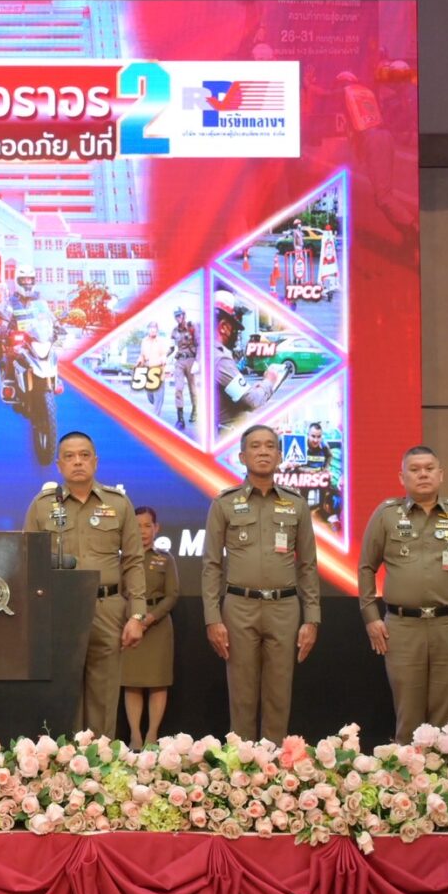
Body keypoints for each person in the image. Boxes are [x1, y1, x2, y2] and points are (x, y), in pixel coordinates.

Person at [358, 446, 448, 742]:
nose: (423, 474)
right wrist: (370, 617)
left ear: (441, 474)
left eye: (429, 468)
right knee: (409, 713)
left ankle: (447, 770)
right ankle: (407, 769)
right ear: (402, 477)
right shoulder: (386, 515)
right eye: (415, 469)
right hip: (402, 627)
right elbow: (366, 567)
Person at [202, 425, 320, 743]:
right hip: (239, 607)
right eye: (255, 446)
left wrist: (312, 618)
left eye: (270, 446)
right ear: (242, 456)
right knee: (241, 693)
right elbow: (211, 565)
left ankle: (273, 764)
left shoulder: (296, 504)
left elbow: (308, 566)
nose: (263, 451)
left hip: (284, 607)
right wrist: (213, 618)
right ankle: (243, 763)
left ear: (280, 456)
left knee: (279, 694)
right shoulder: (224, 503)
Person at [24, 431, 146, 738]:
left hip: (107, 607)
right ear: (59, 465)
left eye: (84, 455)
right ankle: (65, 761)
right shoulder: (42, 506)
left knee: (104, 695)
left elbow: (133, 561)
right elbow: (28, 562)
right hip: (58, 610)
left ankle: (101, 760)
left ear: (96, 461)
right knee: (63, 693)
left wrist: (137, 615)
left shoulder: (118, 504)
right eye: (69, 456)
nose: (77, 462)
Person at [119, 505, 179, 748]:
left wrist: (149, 619)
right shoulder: (122, 559)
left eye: (147, 525)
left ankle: (152, 734)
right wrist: (133, 619)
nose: (142, 531)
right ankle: (135, 736)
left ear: (156, 528)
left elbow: (172, 595)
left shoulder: (165, 558)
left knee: (157, 681)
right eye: (137, 526)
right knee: (131, 681)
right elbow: (119, 592)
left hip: (158, 626)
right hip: (129, 625)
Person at [213, 291, 288, 433]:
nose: (238, 334)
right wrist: (269, 381)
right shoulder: (220, 360)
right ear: (223, 327)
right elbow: (252, 401)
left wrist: (253, 388)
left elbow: (234, 397)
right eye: (236, 328)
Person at [170, 307, 199, 430]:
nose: (178, 318)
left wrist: (198, 361)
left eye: (180, 315)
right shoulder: (174, 331)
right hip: (180, 361)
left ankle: (195, 410)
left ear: (184, 315)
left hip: (191, 360)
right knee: (178, 388)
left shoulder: (192, 327)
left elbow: (199, 344)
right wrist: (164, 356)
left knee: (193, 388)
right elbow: (172, 348)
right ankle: (180, 418)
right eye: (176, 316)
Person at [135, 321, 169, 416]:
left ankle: (156, 415)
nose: (153, 330)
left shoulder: (161, 341)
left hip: (158, 371)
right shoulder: (144, 341)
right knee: (150, 396)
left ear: (157, 330)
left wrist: (163, 358)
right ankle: (157, 406)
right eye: (151, 328)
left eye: (155, 328)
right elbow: (142, 355)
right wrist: (139, 360)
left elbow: (164, 354)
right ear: (148, 330)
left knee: (158, 396)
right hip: (148, 372)